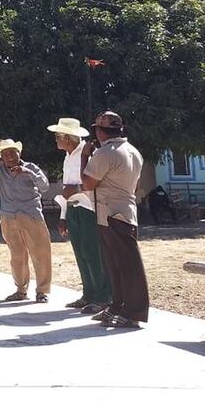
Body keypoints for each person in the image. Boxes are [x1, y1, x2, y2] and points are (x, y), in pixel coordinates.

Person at [82, 111, 148, 328]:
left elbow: (87, 184)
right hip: (122, 211)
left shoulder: (104, 153)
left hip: (111, 213)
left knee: (127, 265)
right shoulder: (133, 151)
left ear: (100, 132)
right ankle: (117, 306)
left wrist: (85, 156)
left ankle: (133, 312)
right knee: (115, 264)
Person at [0, 139, 53, 303]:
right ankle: (20, 290)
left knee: (40, 254)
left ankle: (42, 291)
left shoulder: (31, 167)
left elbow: (44, 186)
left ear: (19, 153)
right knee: (17, 256)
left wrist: (27, 172)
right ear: (1, 157)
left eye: (12, 153)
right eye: (5, 154)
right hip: (9, 217)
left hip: (31, 215)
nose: (9, 157)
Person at [49, 117, 111, 313]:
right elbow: (67, 190)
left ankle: (104, 297)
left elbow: (95, 182)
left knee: (93, 253)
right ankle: (89, 294)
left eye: (58, 136)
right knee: (81, 253)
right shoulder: (68, 157)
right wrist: (63, 217)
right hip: (73, 208)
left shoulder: (88, 153)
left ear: (67, 137)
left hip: (88, 208)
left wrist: (74, 190)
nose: (56, 140)